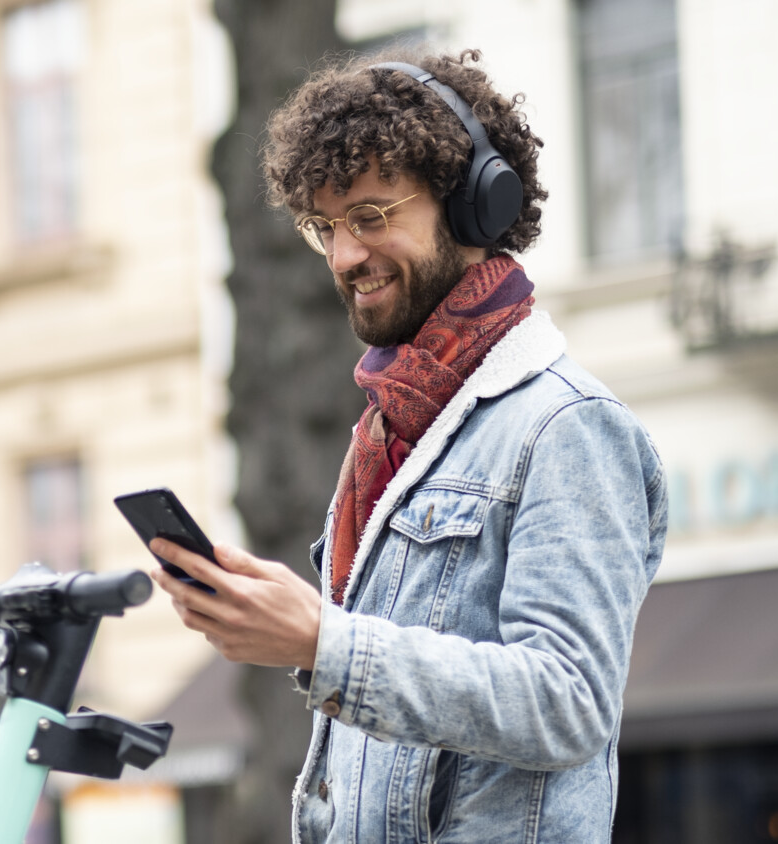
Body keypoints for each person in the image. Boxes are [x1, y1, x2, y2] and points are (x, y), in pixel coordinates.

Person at [149, 48, 667, 843]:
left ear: (471, 206)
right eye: (324, 227)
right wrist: (300, 634)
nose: (345, 256)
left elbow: (569, 701)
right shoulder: (394, 428)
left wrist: (323, 642)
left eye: (371, 216)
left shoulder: (568, 426)